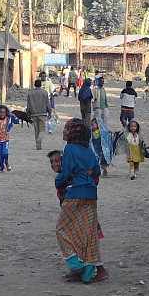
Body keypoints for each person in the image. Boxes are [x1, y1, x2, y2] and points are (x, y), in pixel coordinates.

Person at [55, 118, 108, 284]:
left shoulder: (69, 148)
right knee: (88, 234)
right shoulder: (88, 150)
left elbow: (66, 172)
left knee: (62, 230)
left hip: (75, 193)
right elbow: (97, 171)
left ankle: (77, 265)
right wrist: (90, 173)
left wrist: (58, 181)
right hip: (91, 194)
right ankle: (87, 273)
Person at [26, 80, 52, 150]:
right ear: (41, 85)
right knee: (42, 129)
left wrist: (28, 114)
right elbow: (47, 104)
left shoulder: (30, 93)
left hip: (34, 113)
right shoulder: (45, 92)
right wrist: (49, 112)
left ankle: (38, 146)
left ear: (34, 84)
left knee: (36, 130)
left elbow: (28, 105)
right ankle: (39, 140)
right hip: (42, 113)